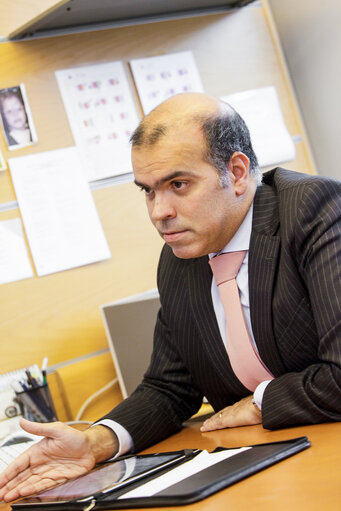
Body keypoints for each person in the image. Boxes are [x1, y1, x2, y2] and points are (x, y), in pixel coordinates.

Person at [0, 92, 340, 502]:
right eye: (147, 191)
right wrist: (95, 442)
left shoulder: (316, 211)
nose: (159, 212)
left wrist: (262, 402)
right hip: (275, 469)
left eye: (178, 185)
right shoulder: (180, 258)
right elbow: (168, 388)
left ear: (236, 172)